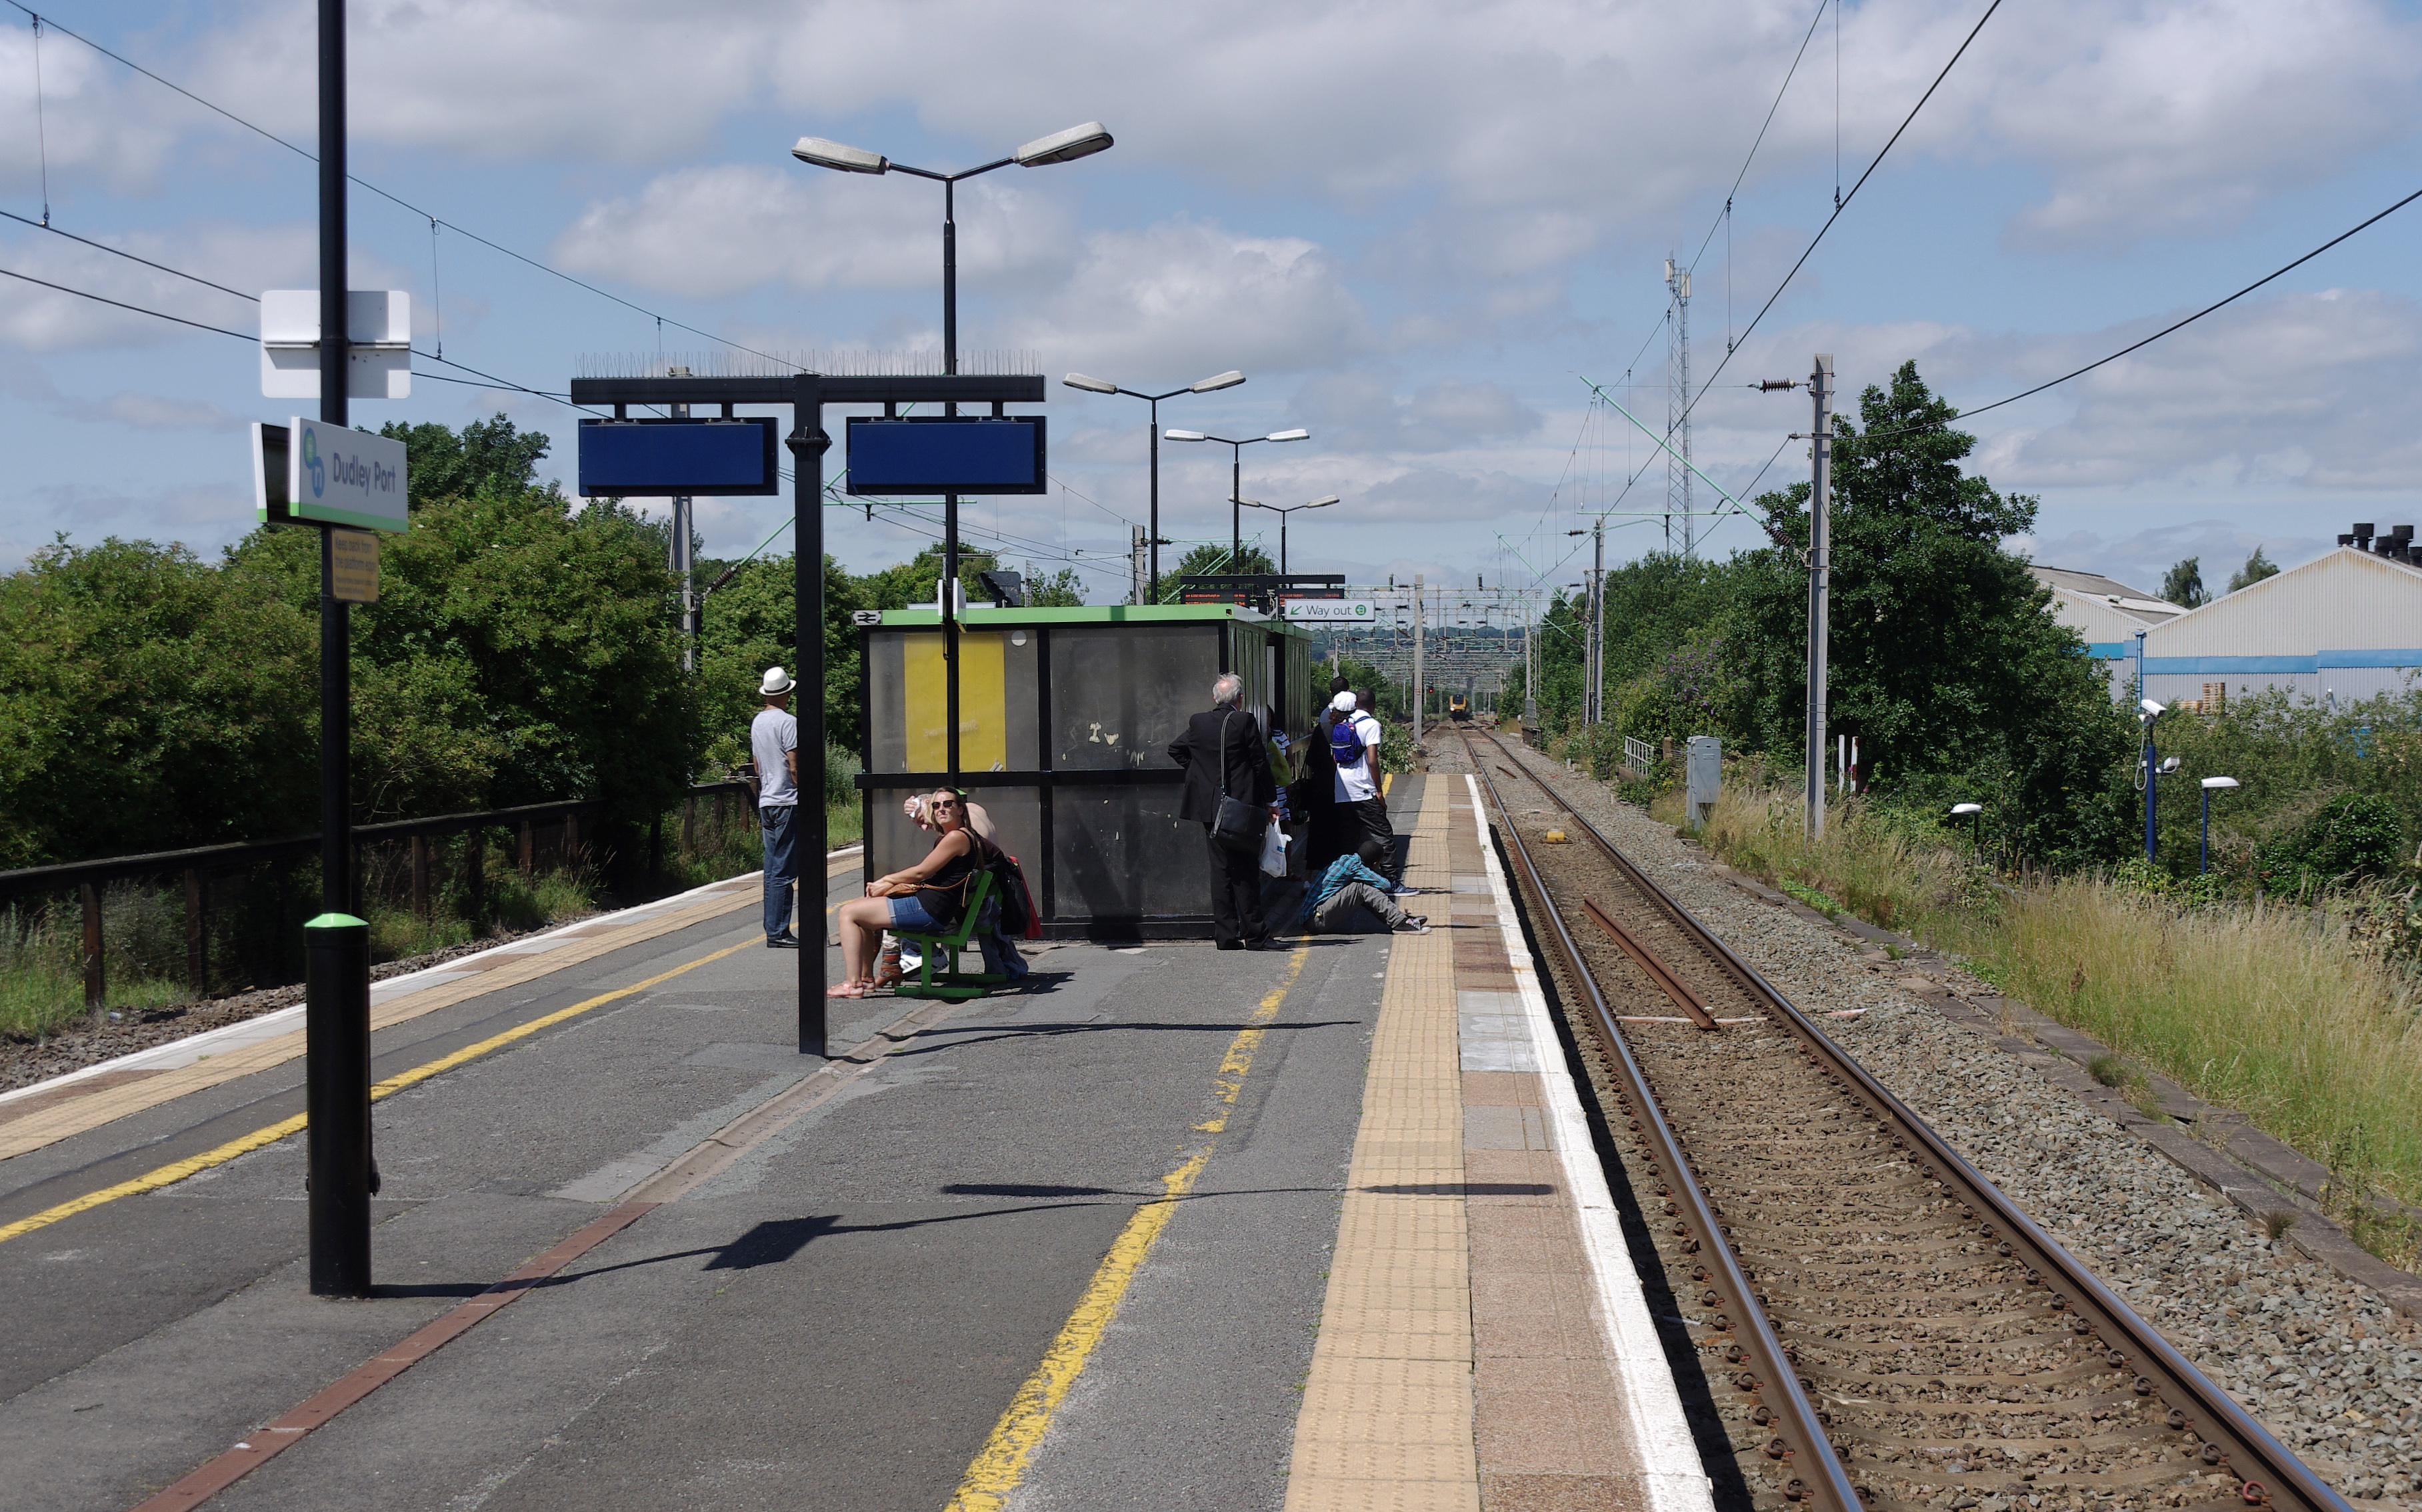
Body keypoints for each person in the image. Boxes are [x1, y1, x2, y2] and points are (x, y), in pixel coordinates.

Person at [831, 789, 1000, 997]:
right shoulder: (961, 836)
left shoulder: (956, 837)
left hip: (929, 910)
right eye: (936, 806)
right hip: (935, 907)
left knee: (848, 913)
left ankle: (853, 983)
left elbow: (921, 871)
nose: (941, 809)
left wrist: (887, 880)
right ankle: (865, 980)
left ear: (960, 810)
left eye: (948, 804)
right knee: (864, 917)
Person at [1168, 672, 1280, 950]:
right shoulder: (1243, 722)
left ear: (1215, 698)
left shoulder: (1199, 722)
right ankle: (1256, 935)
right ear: (1239, 699)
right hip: (1240, 807)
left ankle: (1226, 936)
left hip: (1209, 809)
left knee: (1220, 871)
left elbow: (1176, 749)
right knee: (1244, 871)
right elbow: (1259, 764)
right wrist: (1271, 801)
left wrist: (1202, 778)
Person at [878, 789, 1026, 986]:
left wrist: (892, 881)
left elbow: (936, 877)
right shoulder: (974, 811)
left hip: (968, 910)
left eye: (924, 820)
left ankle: (920, 958)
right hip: (986, 900)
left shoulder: (960, 836)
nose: (924, 828)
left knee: (903, 906)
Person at [750, 667, 801, 949]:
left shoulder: (758, 722)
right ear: (787, 693)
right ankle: (779, 931)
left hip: (767, 800)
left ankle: (772, 927)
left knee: (771, 867)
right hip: (786, 801)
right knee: (784, 869)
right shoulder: (788, 722)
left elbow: (757, 765)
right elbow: (794, 765)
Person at [1302, 839, 1428, 934]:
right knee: (1360, 888)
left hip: (1312, 917)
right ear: (1375, 863)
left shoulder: (1346, 859)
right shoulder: (1356, 867)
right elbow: (1386, 885)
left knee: (1360, 888)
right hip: (1315, 920)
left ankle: (1399, 919)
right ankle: (1399, 922)